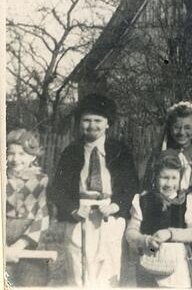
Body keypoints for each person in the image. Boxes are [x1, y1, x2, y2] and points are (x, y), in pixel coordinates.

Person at [50, 93, 140, 287]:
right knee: (78, 267)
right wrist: (72, 208)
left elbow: (131, 184)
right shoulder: (71, 152)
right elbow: (56, 189)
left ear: (108, 123)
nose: (92, 125)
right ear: (79, 123)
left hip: (110, 213)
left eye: (98, 120)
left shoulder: (119, 151)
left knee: (109, 267)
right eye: (86, 120)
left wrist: (117, 205)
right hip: (79, 214)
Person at [142, 101, 192, 260]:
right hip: (163, 216)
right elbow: (148, 183)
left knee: (186, 267)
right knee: (157, 261)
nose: (182, 132)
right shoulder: (159, 156)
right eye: (177, 127)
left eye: (188, 127)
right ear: (169, 128)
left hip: (190, 219)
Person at [125, 151, 192, 287]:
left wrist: (170, 233)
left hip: (178, 261)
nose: (169, 183)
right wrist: (145, 240)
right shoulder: (143, 200)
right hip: (150, 258)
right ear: (155, 177)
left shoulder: (187, 202)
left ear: (180, 179)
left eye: (174, 178)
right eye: (164, 177)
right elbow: (130, 232)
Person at [5, 129, 50, 287]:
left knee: (31, 282)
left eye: (22, 154)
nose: (15, 159)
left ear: (33, 156)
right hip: (3, 241)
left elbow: (42, 216)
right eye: (10, 153)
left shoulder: (41, 181)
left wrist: (20, 245)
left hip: (30, 243)